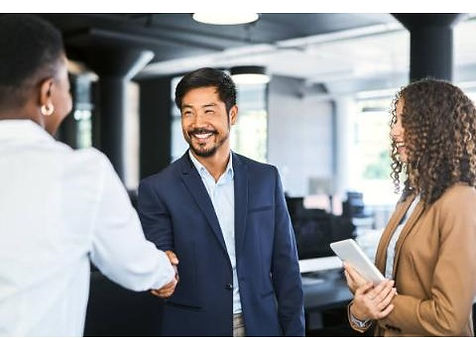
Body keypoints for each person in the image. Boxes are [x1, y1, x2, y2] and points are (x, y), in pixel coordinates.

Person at [0, 15, 177, 336]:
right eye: (67, 83)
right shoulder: (79, 172)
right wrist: (165, 271)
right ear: (47, 93)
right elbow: (133, 265)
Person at [138, 67, 304, 336]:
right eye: (188, 112)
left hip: (261, 327)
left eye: (209, 111)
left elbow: (286, 267)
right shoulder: (157, 189)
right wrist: (160, 275)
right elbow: (160, 261)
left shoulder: (265, 179)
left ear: (233, 115)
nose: (197, 123)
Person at [344, 79, 476, 336]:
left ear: (435, 127)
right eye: (396, 120)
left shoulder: (461, 200)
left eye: (405, 121)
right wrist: (360, 312)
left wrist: (376, 301)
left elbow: (447, 319)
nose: (394, 131)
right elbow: (388, 288)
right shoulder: (411, 197)